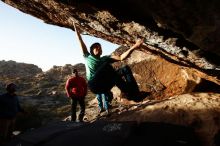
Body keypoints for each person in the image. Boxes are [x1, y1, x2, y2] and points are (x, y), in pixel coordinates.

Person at [73, 22, 145, 103]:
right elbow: (80, 40)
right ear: (91, 50)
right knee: (107, 67)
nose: (99, 49)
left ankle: (135, 94)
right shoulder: (87, 56)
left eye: (100, 47)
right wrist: (75, 27)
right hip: (94, 84)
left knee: (125, 69)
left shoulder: (105, 58)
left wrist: (135, 46)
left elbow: (121, 57)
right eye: (96, 47)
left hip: (104, 84)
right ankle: (130, 94)